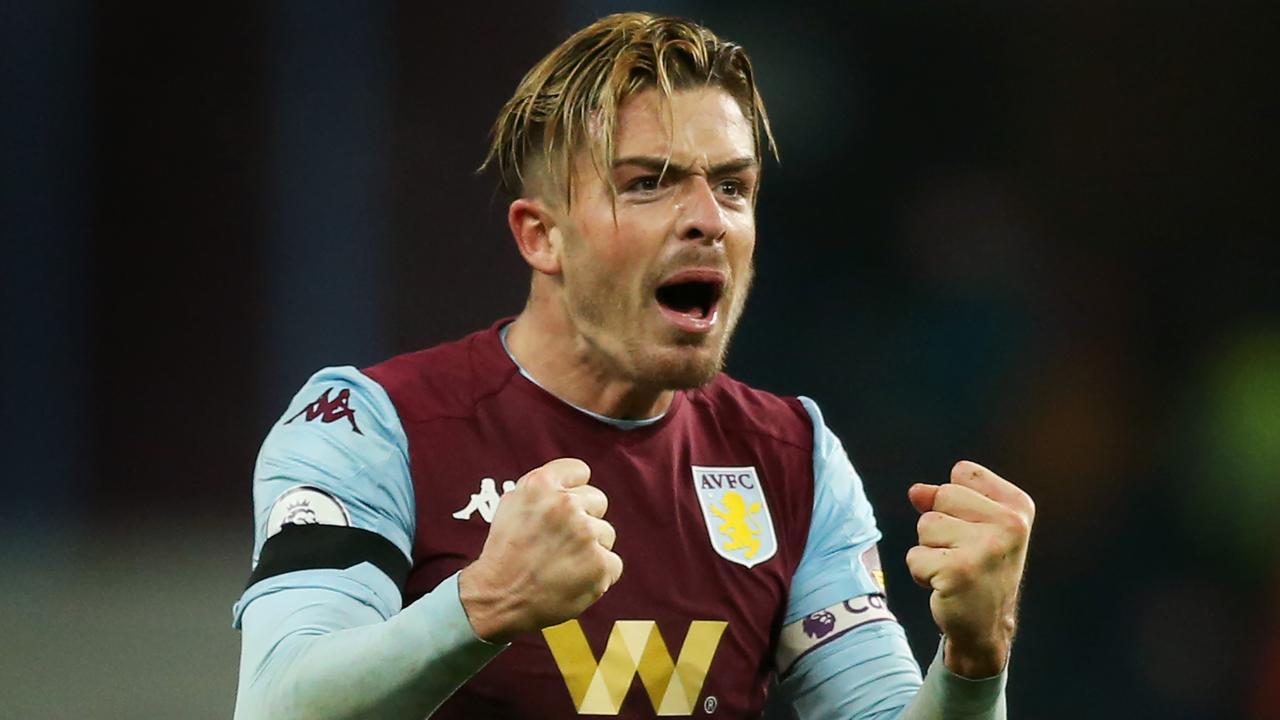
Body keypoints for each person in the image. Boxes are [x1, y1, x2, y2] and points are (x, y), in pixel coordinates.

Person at [232, 12, 1034, 719]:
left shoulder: (793, 458)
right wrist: (480, 604)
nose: (707, 221)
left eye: (732, 186)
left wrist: (973, 665)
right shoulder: (373, 426)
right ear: (540, 236)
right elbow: (278, 704)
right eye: (649, 184)